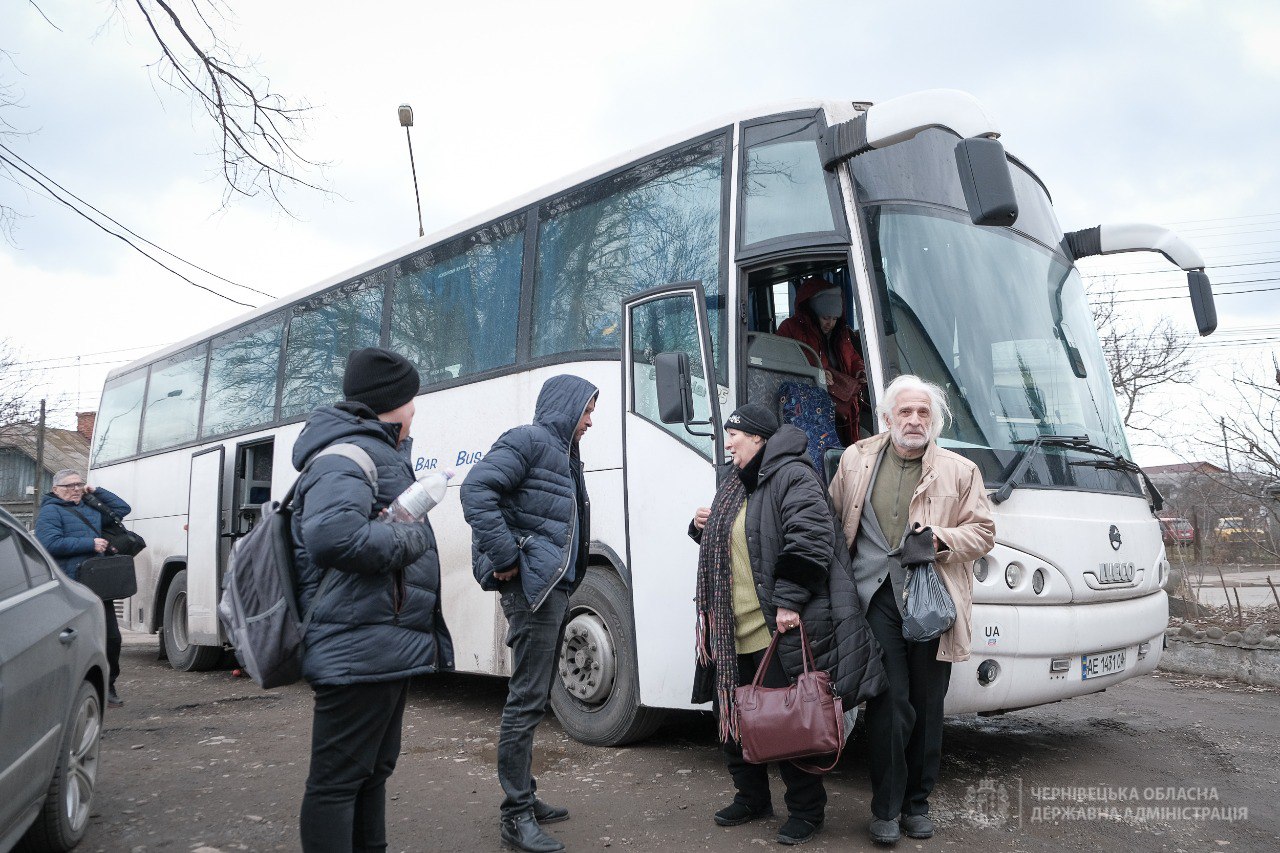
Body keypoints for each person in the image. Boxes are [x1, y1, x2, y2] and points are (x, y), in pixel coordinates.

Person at [688, 403, 886, 847]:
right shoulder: (734, 481)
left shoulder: (792, 476)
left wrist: (790, 600)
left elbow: (810, 536)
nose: (728, 442)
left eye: (734, 435)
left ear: (758, 437)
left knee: (787, 724)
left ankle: (806, 811)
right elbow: (744, 540)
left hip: (773, 627)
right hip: (729, 626)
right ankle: (751, 797)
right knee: (732, 717)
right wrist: (701, 526)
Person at [292, 346, 453, 853]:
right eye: (411, 401)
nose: (414, 411)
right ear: (394, 403)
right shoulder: (345, 454)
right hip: (355, 645)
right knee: (338, 781)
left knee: (373, 771)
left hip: (379, 643)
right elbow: (334, 537)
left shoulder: (375, 451)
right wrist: (413, 539)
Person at [828, 375, 995, 845]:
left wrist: (942, 539)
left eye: (924, 413)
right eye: (906, 412)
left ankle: (917, 805)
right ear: (887, 417)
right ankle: (885, 808)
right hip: (874, 598)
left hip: (931, 604)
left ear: (934, 421)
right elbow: (835, 521)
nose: (915, 420)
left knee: (925, 706)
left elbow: (983, 532)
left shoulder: (960, 471)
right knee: (889, 703)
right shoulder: (855, 459)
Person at [460, 374, 598, 853]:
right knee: (525, 701)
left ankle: (526, 795)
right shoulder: (529, 441)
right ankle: (515, 816)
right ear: (568, 406)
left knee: (535, 698)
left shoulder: (561, 453)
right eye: (587, 410)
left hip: (551, 589)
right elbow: (476, 491)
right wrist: (505, 558)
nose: (590, 421)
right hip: (533, 592)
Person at [36, 469, 132, 708]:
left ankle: (108, 685)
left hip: (99, 583)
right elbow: (49, 543)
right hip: (70, 586)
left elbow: (122, 510)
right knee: (73, 640)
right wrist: (89, 543)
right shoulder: (50, 511)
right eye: (69, 486)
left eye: (79, 484)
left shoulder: (91, 506)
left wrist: (97, 491)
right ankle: (67, 689)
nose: (76, 489)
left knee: (112, 638)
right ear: (55, 489)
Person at [776, 276, 867, 445]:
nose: (830, 324)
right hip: (807, 405)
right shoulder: (790, 328)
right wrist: (816, 373)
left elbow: (852, 357)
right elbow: (781, 365)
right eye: (826, 318)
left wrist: (860, 370)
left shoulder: (841, 332)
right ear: (814, 311)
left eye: (834, 319)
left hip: (841, 403)